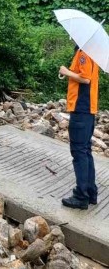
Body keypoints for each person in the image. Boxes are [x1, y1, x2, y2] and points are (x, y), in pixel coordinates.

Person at [60, 46, 100, 210]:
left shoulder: (84, 53)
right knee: (85, 151)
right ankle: (90, 193)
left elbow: (85, 79)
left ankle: (81, 196)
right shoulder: (94, 52)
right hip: (88, 110)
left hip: (80, 108)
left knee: (79, 152)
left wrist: (66, 71)